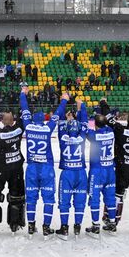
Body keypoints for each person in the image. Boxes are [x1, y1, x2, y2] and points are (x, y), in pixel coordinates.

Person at [20, 87, 68, 238]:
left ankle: (31, 226)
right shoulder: (47, 129)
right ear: (44, 119)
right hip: (46, 168)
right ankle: (46, 227)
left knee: (31, 198)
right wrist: (64, 100)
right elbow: (58, 115)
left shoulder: (28, 126)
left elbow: (24, 108)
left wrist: (23, 94)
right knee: (49, 199)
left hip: (32, 168)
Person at [55, 99, 88, 239]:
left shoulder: (63, 136)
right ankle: (77, 227)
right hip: (81, 172)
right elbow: (85, 123)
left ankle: (64, 228)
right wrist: (81, 108)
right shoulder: (82, 136)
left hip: (67, 172)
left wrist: (67, 117)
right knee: (80, 202)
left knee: (64, 202)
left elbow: (60, 121)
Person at [83, 99, 116, 236]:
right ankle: (112, 223)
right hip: (110, 170)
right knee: (110, 197)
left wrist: (84, 109)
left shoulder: (94, 136)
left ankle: (96, 225)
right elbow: (106, 119)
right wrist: (103, 105)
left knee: (94, 197)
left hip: (97, 171)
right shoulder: (111, 131)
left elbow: (85, 126)